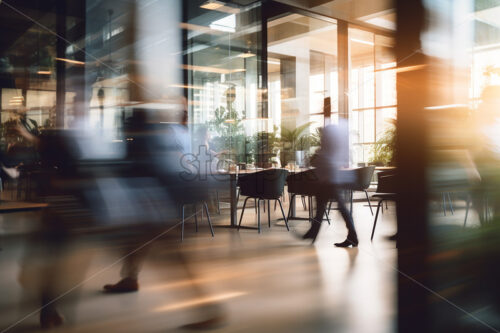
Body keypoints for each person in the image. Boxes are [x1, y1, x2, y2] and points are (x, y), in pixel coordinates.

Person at [301, 121, 359, 247]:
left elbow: (318, 162)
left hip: (328, 180)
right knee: (329, 208)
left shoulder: (327, 149)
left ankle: (351, 236)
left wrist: (316, 156)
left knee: (328, 208)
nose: (322, 136)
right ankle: (314, 232)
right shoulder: (334, 148)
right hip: (331, 180)